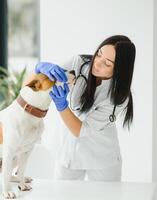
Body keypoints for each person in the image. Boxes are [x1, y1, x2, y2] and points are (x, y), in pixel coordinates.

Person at [35, 35, 136, 181]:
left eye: (107, 64)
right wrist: (41, 67)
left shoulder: (118, 97)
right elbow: (45, 77)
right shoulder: (79, 62)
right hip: (69, 151)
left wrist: (61, 105)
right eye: (99, 54)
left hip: (101, 156)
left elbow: (81, 130)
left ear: (119, 70)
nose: (97, 63)